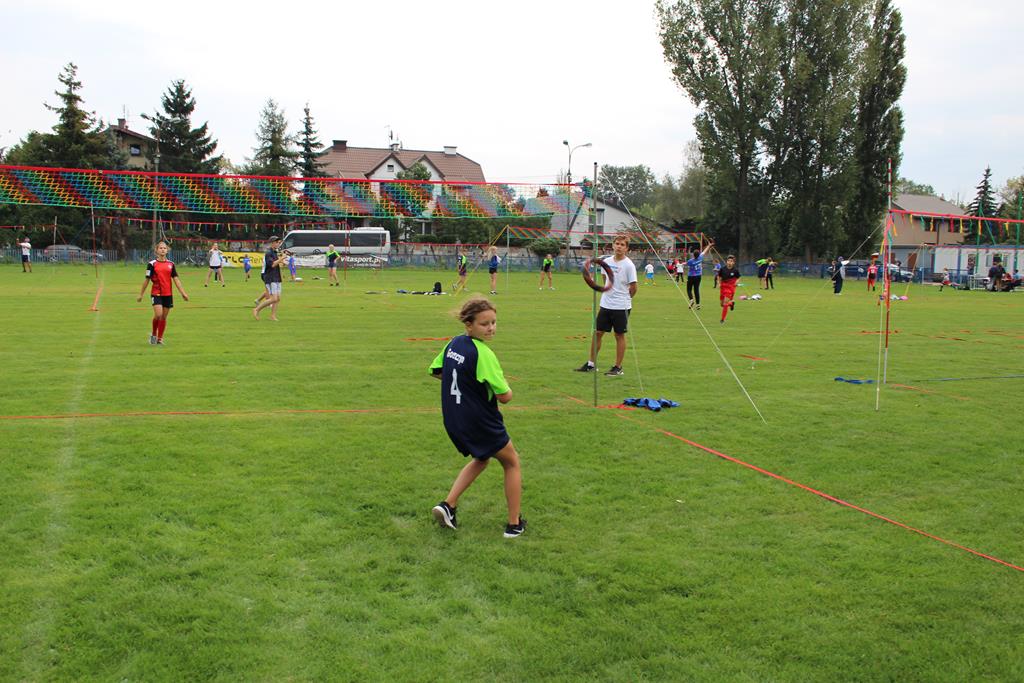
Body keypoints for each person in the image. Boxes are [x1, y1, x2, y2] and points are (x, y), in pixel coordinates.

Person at [429, 297, 525, 538]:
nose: (491, 328)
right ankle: (514, 525)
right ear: (468, 324)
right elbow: (505, 396)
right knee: (511, 462)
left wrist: (466, 383)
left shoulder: (453, 344)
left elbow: (437, 371)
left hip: (455, 418)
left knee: (482, 458)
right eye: (484, 324)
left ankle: (448, 506)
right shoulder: (483, 353)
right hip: (480, 420)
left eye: (493, 322)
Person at [575, 234, 638, 376]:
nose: (619, 247)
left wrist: (625, 298)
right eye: (617, 244)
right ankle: (591, 364)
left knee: (619, 335)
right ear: (613, 245)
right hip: (606, 304)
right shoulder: (606, 262)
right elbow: (605, 281)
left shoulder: (629, 265)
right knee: (597, 333)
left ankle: (618, 367)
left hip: (621, 306)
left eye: (622, 245)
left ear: (627, 248)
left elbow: (634, 287)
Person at [137, 240, 189, 344]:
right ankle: (153, 335)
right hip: (156, 293)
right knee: (158, 314)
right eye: (160, 248)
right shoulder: (152, 264)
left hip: (168, 294)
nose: (163, 250)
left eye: (164, 248)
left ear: (167, 250)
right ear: (156, 250)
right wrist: (141, 294)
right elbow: (147, 280)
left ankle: (160, 339)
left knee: (164, 317)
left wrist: (183, 293)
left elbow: (176, 279)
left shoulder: (171, 264)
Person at [253, 236, 287, 321]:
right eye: (277, 242)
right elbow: (272, 265)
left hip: (276, 277)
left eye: (279, 242)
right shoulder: (268, 253)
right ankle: (256, 309)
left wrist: (282, 262)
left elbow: (276, 264)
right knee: (274, 298)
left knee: (277, 299)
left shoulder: (275, 252)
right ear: (272, 243)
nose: (278, 244)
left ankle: (272, 316)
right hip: (270, 277)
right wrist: (282, 258)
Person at [686, 241, 713, 309]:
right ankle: (698, 305)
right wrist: (709, 245)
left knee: (689, 289)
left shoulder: (690, 261)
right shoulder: (700, 257)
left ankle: (691, 300)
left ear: (693, 255)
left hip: (691, 276)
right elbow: (705, 251)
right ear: (698, 254)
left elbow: (686, 264)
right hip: (698, 276)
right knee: (696, 290)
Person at [718, 254, 741, 324]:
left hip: (730, 288)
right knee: (722, 304)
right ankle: (731, 304)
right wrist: (719, 283)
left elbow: (739, 277)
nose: (729, 262)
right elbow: (719, 277)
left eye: (731, 261)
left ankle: (722, 319)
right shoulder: (722, 269)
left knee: (725, 303)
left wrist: (736, 282)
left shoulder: (735, 270)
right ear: (726, 261)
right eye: (728, 261)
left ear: (733, 262)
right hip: (723, 287)